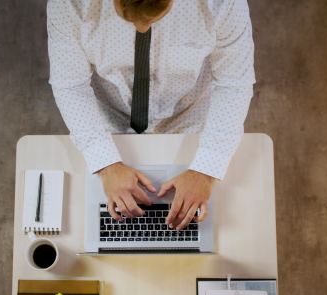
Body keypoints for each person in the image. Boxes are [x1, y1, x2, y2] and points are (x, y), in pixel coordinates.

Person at [47, 0, 255, 230]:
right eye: (128, 17)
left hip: (188, 117)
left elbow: (234, 85)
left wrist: (206, 170)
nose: (142, 28)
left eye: (155, 16)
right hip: (108, 119)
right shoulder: (69, 3)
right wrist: (105, 163)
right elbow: (71, 86)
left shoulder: (223, 3)